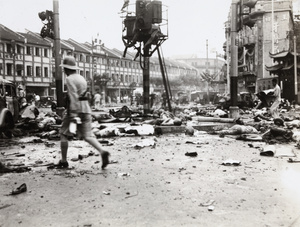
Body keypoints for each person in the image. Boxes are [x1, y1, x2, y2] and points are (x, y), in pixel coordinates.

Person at [58, 56, 110, 169]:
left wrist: (73, 114)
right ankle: (102, 151)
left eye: (64, 69)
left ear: (66, 69)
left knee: (63, 133)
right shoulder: (82, 78)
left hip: (76, 110)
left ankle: (63, 161)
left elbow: (73, 96)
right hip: (86, 109)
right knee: (88, 135)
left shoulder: (69, 79)